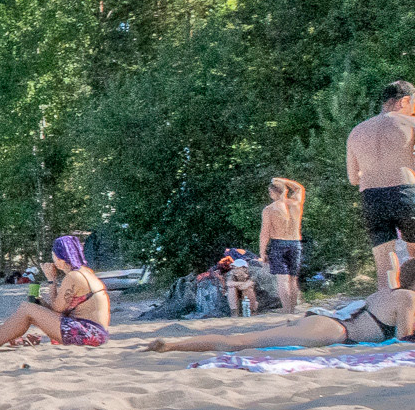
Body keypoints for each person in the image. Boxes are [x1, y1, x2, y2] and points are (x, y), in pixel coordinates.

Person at [146, 277, 415, 352]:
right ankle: (171, 345)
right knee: (244, 342)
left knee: (246, 339)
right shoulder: (408, 298)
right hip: (334, 330)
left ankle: (175, 344)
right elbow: (403, 340)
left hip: (323, 321)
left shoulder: (389, 293)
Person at [0, 235, 112, 351]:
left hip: (88, 334)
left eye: (54, 256)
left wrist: (51, 280)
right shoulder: (86, 273)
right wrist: (41, 302)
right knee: (29, 312)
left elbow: (56, 309)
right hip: (95, 333)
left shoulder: (74, 276)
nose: (53, 260)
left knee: (26, 308)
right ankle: (1, 339)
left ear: (61, 257)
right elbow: (61, 311)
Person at [347, 79, 415, 288]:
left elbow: (353, 178)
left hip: (372, 197)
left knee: (384, 263)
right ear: (404, 100)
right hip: (405, 192)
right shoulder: (410, 124)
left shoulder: (357, 131)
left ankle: (387, 312)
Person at [258, 176, 306, 314]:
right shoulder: (296, 203)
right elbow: (299, 188)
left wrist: (262, 252)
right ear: (285, 191)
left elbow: (265, 233)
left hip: (278, 243)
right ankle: (293, 308)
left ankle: (287, 310)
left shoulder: (269, 209)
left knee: (282, 279)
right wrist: (282, 181)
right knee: (293, 279)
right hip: (295, 242)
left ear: (272, 193)